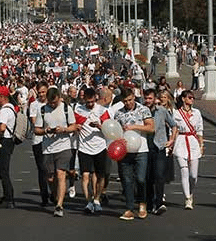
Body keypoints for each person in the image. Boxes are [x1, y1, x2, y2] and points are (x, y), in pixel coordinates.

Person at [34, 87, 77, 217]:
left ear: (59, 98)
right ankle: (54, 194)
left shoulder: (66, 108)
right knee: (50, 178)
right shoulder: (42, 110)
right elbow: (36, 130)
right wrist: (46, 130)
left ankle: (59, 205)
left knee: (61, 174)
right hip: (48, 148)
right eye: (50, 103)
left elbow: (74, 126)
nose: (53, 105)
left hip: (63, 146)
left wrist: (64, 130)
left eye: (55, 102)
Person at [113, 86, 154, 221]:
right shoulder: (118, 113)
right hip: (126, 150)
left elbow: (150, 128)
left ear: (134, 97)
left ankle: (142, 203)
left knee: (140, 179)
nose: (128, 103)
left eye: (130, 100)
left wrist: (134, 127)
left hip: (141, 149)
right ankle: (129, 208)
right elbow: (116, 131)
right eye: (125, 101)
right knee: (127, 179)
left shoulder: (143, 110)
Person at [73, 87, 109, 214]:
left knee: (100, 175)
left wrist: (99, 126)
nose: (90, 104)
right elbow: (74, 125)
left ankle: (97, 199)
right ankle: (88, 202)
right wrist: (76, 127)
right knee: (85, 175)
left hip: (99, 147)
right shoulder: (78, 110)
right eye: (88, 102)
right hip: (84, 147)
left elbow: (109, 128)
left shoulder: (102, 111)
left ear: (96, 99)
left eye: (92, 101)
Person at [170, 89, 204, 210]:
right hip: (181, 141)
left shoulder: (197, 113)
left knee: (193, 175)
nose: (192, 99)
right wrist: (171, 143)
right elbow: (173, 129)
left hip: (193, 142)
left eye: (193, 97)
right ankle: (187, 198)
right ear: (183, 99)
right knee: (184, 171)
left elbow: (200, 129)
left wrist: (201, 144)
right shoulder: (176, 113)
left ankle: (191, 193)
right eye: (189, 97)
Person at [144, 89, 174, 215]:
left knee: (159, 175)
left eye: (150, 98)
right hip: (145, 147)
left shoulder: (162, 111)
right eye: (146, 98)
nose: (148, 101)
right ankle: (150, 203)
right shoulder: (140, 111)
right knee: (148, 178)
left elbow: (174, 124)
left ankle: (159, 202)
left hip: (159, 146)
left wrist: (171, 140)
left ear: (155, 99)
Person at [0, 85, 17, 209]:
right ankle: (7, 195)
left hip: (4, 141)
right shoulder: (11, 108)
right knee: (3, 170)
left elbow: (2, 127)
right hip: (9, 141)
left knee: (3, 171)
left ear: (2, 97)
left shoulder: (4, 110)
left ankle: (9, 197)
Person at [29, 81, 51, 206]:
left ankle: (54, 192)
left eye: (44, 92)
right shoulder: (34, 104)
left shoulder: (52, 103)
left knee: (52, 169)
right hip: (38, 140)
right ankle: (44, 196)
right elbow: (34, 121)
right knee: (42, 169)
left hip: (51, 140)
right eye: (40, 92)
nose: (42, 94)